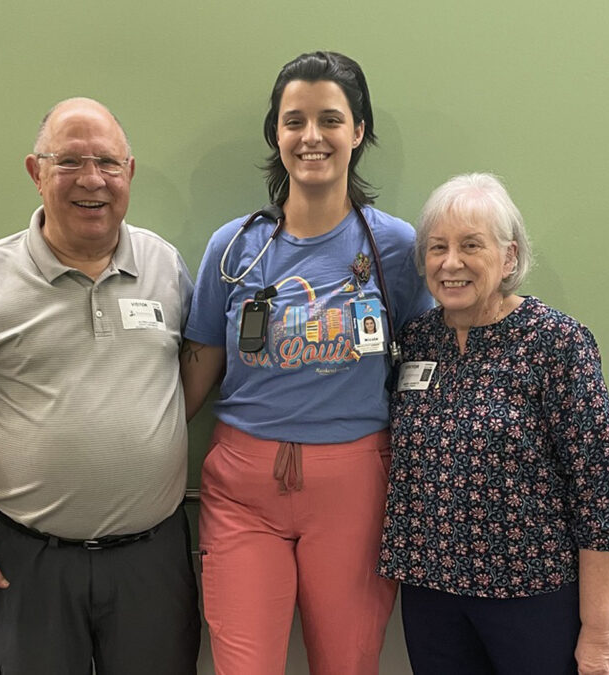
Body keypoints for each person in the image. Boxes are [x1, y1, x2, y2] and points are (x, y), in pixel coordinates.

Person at [0, 97, 199, 675]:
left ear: (130, 172)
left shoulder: (166, 266)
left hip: (152, 558)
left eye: (108, 162)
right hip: (27, 561)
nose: (92, 180)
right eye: (69, 162)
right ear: (35, 172)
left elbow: (189, 377)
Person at [180, 51, 434, 674]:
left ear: (358, 132)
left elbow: (428, 367)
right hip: (242, 490)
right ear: (276, 134)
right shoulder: (234, 246)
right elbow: (196, 375)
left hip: (355, 488)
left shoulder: (397, 247)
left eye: (330, 119)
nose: (312, 137)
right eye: (295, 121)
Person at [377, 173, 609, 675]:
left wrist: (602, 632)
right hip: (430, 594)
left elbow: (601, 494)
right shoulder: (416, 340)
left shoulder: (557, 344)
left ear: (509, 257)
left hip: (531, 596)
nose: (450, 263)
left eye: (470, 245)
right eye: (437, 247)